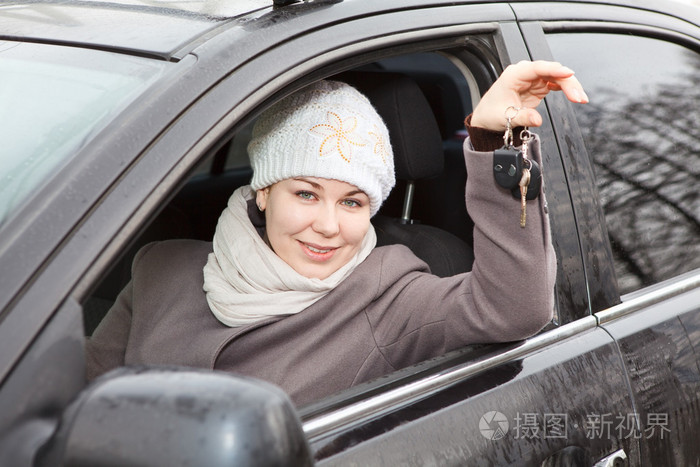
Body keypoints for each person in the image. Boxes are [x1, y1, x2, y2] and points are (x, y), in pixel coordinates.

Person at [86, 60, 588, 406]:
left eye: (353, 202)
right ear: (263, 192)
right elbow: (77, 399)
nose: (328, 227)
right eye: (305, 194)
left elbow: (517, 307)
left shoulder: (389, 294)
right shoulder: (160, 268)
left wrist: (498, 142)